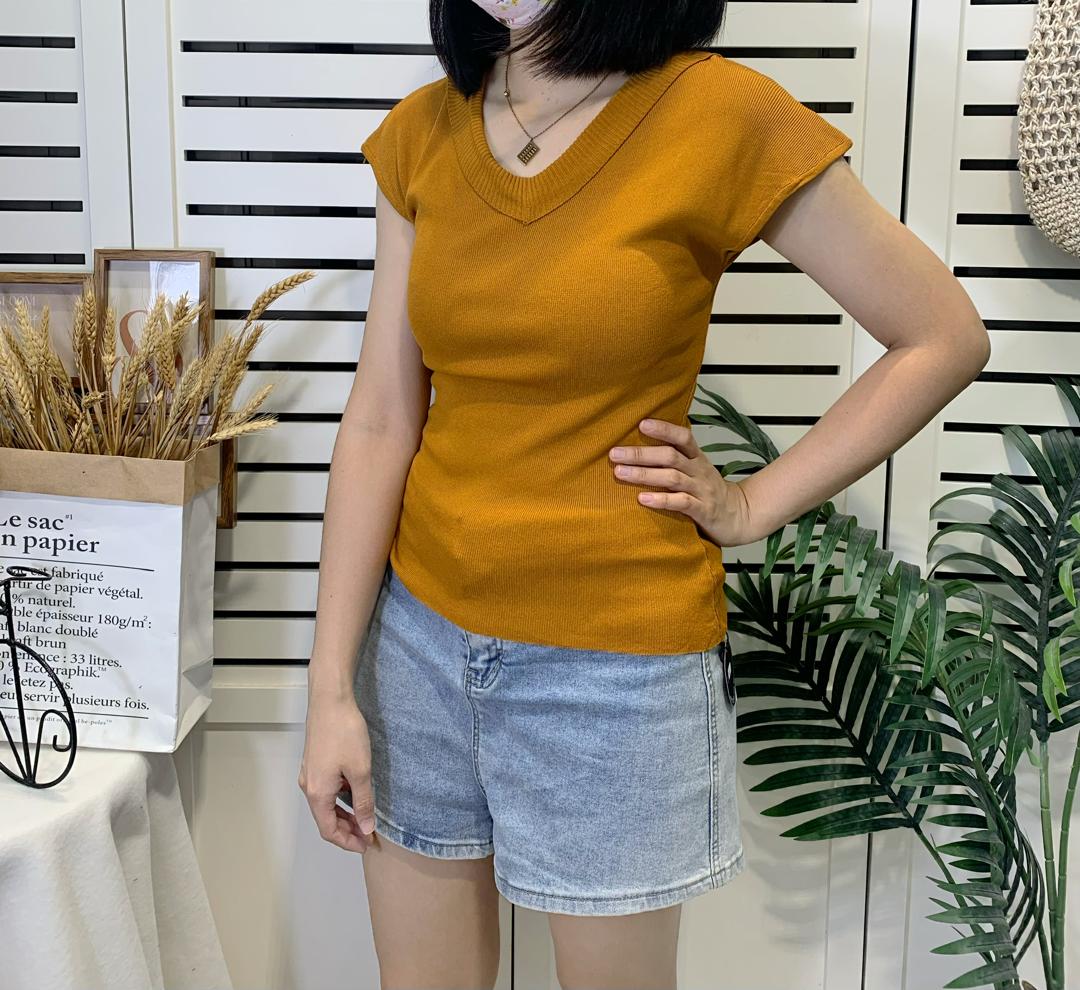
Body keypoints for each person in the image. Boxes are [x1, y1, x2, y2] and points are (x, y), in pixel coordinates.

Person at [298, 1, 992, 987]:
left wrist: (753, 504)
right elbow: (380, 418)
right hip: (417, 650)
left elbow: (942, 336)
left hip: (615, 674)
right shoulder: (424, 131)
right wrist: (330, 688)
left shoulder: (719, 114)